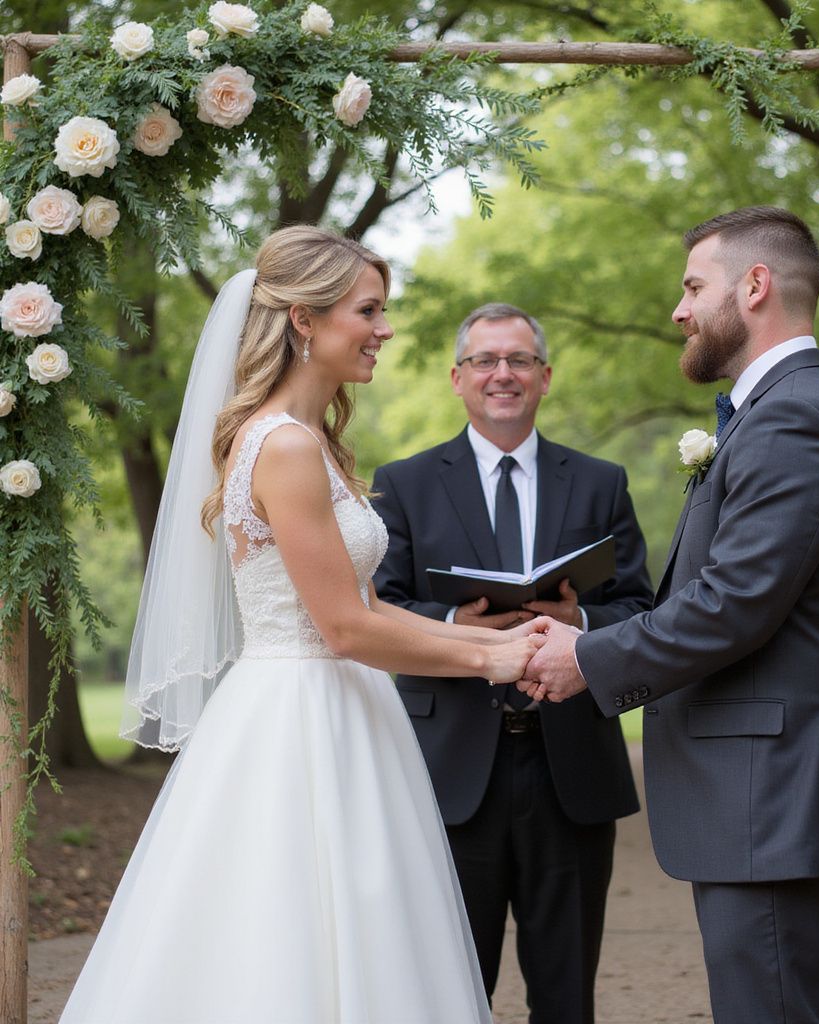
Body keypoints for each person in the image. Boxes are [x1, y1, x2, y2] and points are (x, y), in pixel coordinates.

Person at [60, 228, 546, 1023]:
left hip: (343, 703)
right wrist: (491, 665)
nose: (385, 329)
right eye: (369, 310)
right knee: (289, 927)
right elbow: (346, 630)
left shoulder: (310, 441)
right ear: (304, 322)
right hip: (299, 719)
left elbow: (366, 606)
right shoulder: (282, 446)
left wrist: (495, 642)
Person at [520, 207, 819, 1024]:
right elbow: (725, 593)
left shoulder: (795, 419)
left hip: (776, 802)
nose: (679, 310)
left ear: (755, 286)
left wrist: (588, 661)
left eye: (693, 286)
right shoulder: (776, 415)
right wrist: (590, 633)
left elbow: (734, 606)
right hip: (765, 804)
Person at [370, 303, 653, 1024]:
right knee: (451, 993)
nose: (503, 374)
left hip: (571, 769)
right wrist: (456, 625)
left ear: (545, 376)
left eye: (519, 360)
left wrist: (578, 621)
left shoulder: (601, 483)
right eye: (486, 361)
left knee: (567, 997)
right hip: (450, 772)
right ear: (457, 378)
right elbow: (381, 607)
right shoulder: (403, 483)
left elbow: (640, 612)